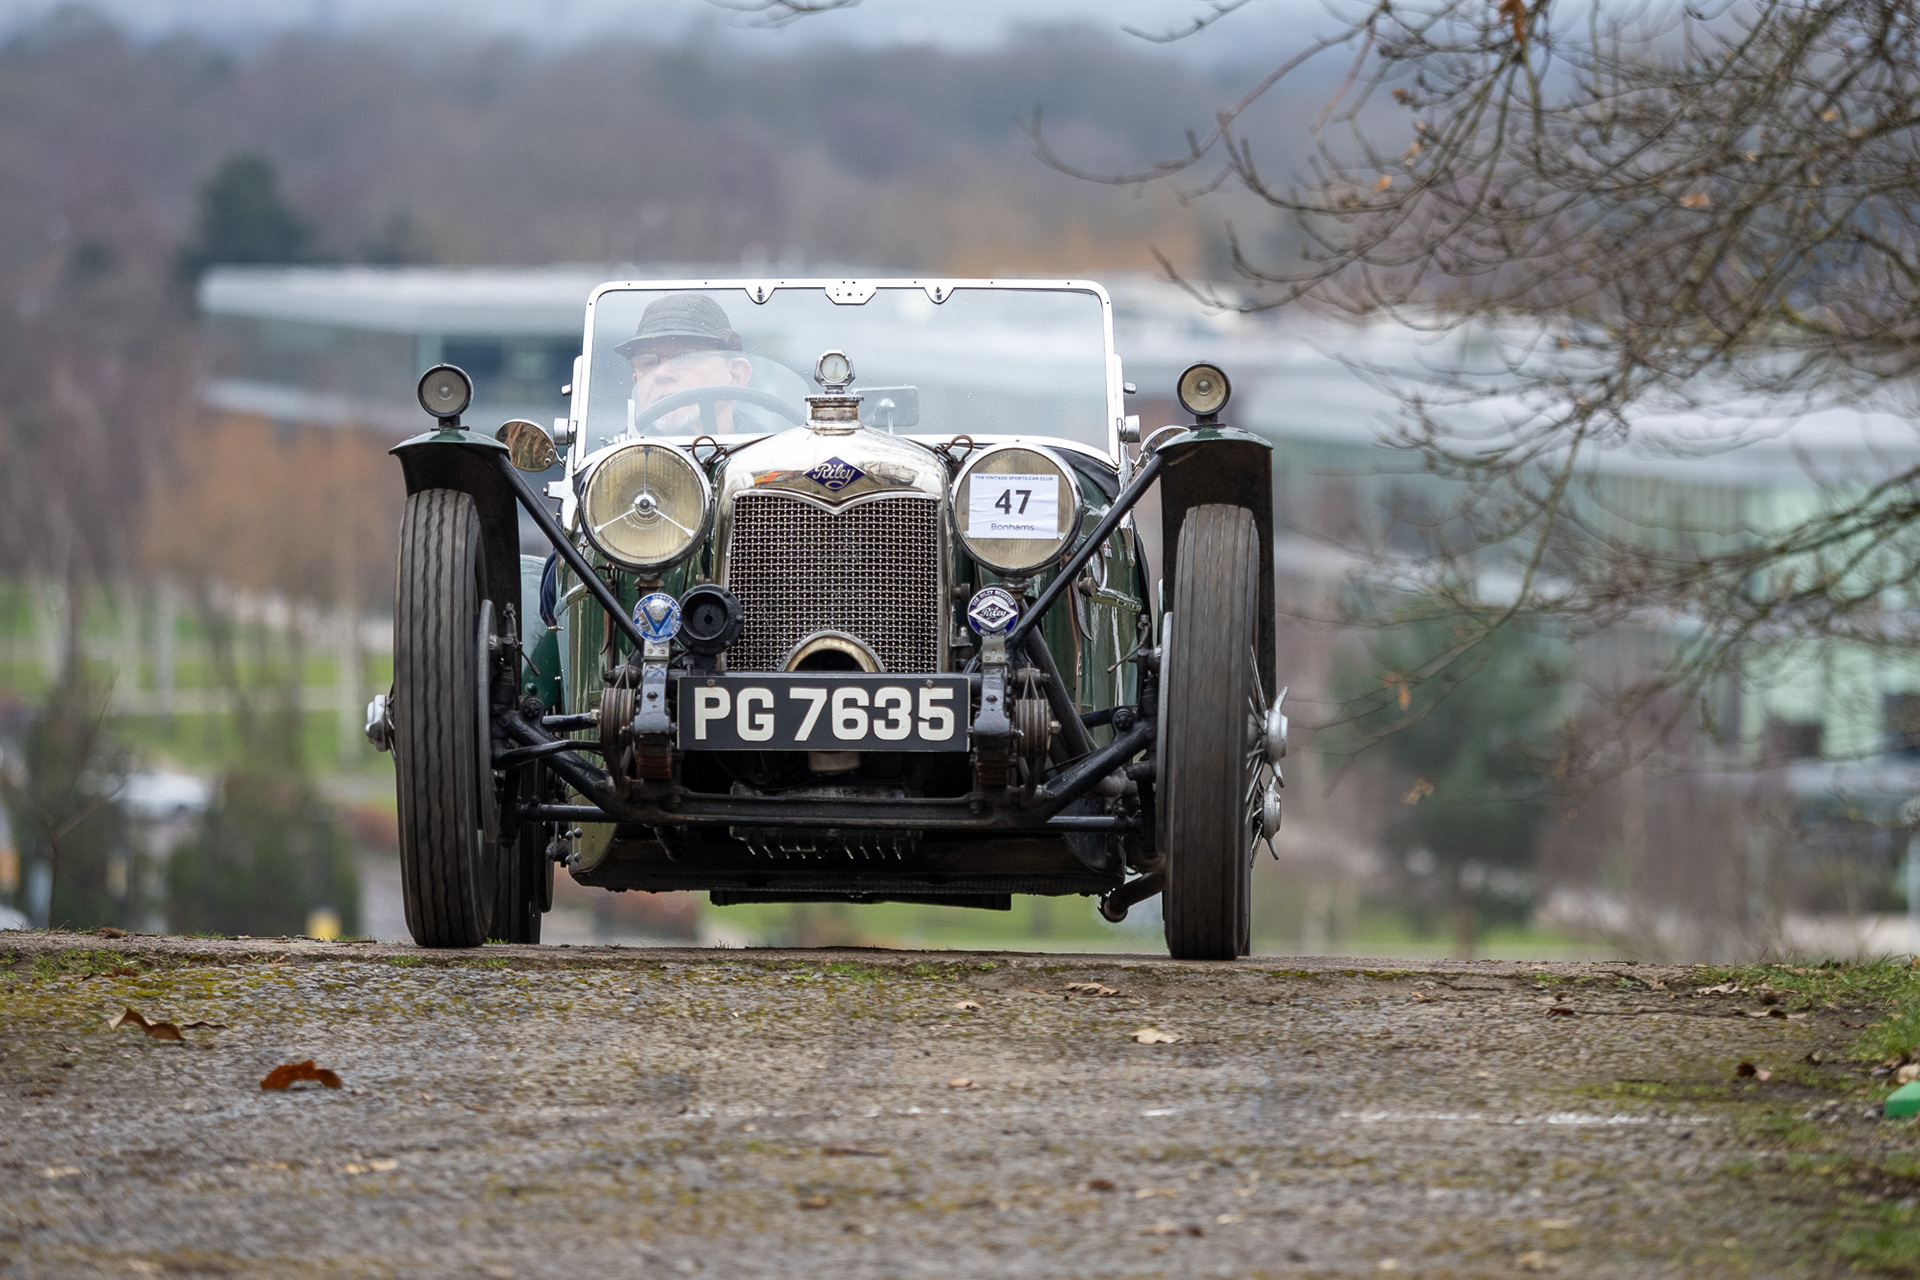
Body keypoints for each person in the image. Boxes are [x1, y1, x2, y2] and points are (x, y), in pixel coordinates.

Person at [614, 293, 756, 434]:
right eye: (649, 363)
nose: (661, 373)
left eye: (684, 357)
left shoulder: (774, 454)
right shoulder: (612, 456)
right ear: (637, 382)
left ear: (735, 376)